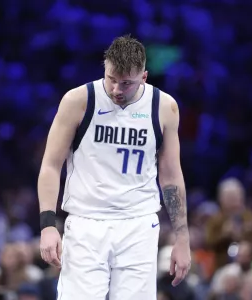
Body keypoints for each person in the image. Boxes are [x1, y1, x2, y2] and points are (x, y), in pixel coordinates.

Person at [37, 35, 191, 300]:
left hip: (138, 224)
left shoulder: (164, 107)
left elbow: (171, 177)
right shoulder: (79, 101)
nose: (117, 89)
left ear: (144, 77)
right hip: (86, 222)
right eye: (111, 79)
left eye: (126, 83)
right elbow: (51, 165)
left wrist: (182, 238)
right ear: (105, 70)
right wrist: (47, 225)